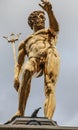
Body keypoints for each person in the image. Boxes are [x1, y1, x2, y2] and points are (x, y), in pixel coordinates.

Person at [14, 0, 60, 119]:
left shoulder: (48, 32)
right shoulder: (25, 42)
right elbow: (19, 63)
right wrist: (15, 76)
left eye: (44, 17)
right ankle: (20, 111)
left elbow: (56, 28)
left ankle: (48, 118)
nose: (43, 19)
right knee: (27, 70)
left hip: (50, 54)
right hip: (34, 58)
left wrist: (50, 12)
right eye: (40, 17)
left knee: (50, 86)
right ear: (33, 21)